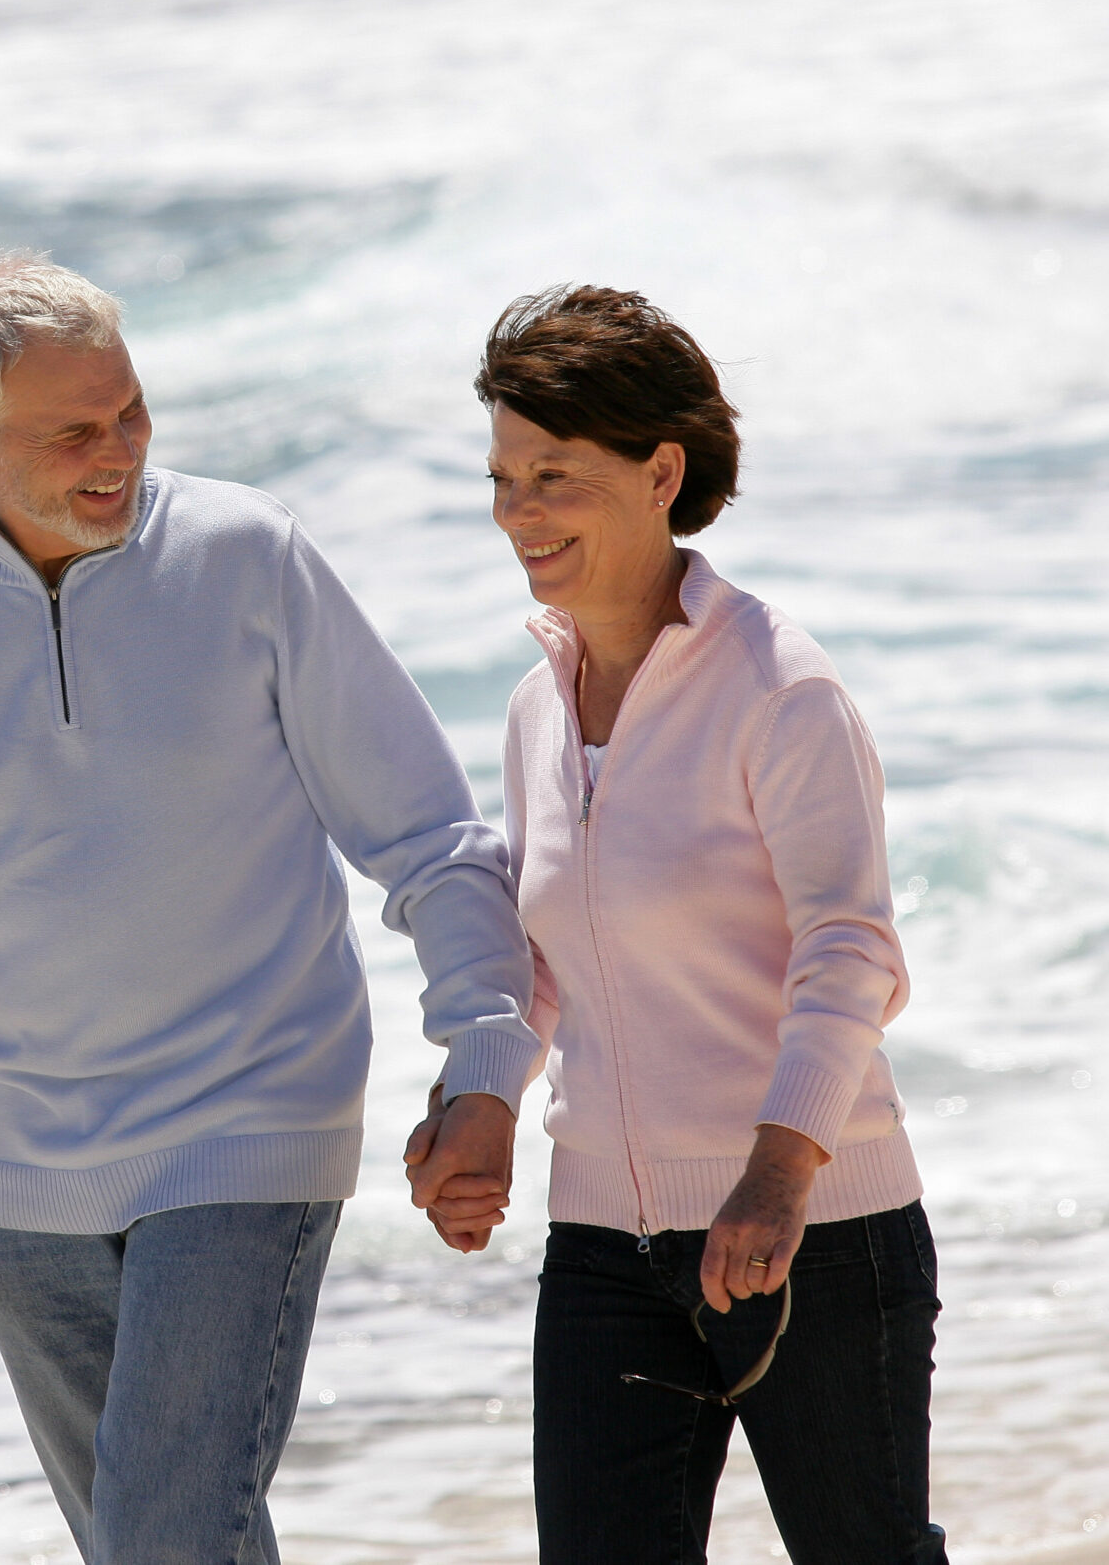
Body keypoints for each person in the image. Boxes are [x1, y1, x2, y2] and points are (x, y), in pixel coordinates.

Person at [0, 251, 541, 1564]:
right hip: (23, 1161)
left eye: (132, 412)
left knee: (169, 1529)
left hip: (250, 1115)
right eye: (74, 432)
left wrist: (485, 1058)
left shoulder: (247, 558)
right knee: (156, 1541)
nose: (120, 452)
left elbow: (431, 837)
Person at [416, 285, 944, 1562]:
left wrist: (779, 1169)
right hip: (605, 1242)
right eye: (501, 477)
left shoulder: (781, 687)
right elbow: (546, 956)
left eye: (554, 475)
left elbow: (851, 952)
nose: (518, 514)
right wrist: (480, 1093)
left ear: (662, 472)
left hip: (815, 1233)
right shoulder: (536, 706)